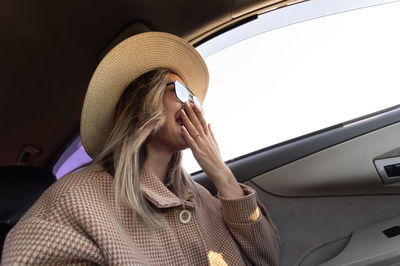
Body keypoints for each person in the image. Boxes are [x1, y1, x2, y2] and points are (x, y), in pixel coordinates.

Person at [2, 32, 280, 265]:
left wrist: (222, 174)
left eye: (195, 98)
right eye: (181, 91)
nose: (193, 105)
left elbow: (268, 258)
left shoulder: (202, 197)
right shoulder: (75, 199)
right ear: (141, 103)